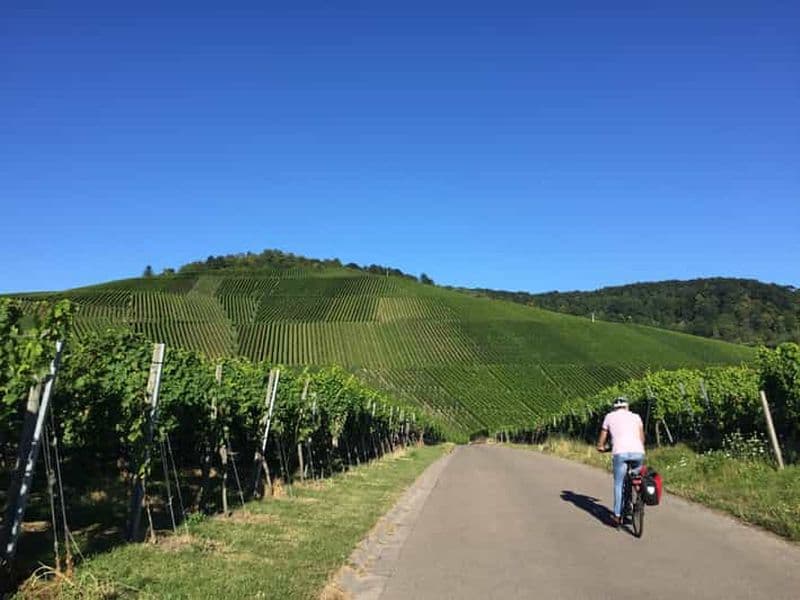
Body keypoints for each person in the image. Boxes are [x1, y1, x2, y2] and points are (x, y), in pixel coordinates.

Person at [596, 396, 645, 527]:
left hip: (620, 453)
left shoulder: (609, 417)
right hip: (638, 452)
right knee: (635, 476)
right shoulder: (636, 417)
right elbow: (642, 438)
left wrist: (600, 446)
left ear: (614, 407)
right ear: (627, 406)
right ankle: (638, 498)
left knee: (619, 483)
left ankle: (617, 515)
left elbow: (603, 435)